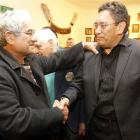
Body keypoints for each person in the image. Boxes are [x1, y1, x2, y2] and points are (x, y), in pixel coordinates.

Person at [0, 9, 96, 140]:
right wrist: (57, 114)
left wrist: (82, 46)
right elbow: (13, 121)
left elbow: (57, 59)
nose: (34, 39)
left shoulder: (30, 59)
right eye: (29, 33)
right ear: (10, 37)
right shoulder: (3, 71)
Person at [59, 1, 140, 140]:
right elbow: (78, 85)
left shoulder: (137, 52)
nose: (97, 31)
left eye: (103, 25)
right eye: (96, 25)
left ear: (120, 27)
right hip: (94, 130)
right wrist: (66, 98)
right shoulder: (90, 52)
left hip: (127, 132)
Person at [55, 37, 86, 140]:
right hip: (54, 119)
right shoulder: (49, 64)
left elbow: (80, 92)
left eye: (72, 44)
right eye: (68, 44)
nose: (69, 46)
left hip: (72, 119)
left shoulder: (78, 64)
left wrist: (82, 121)